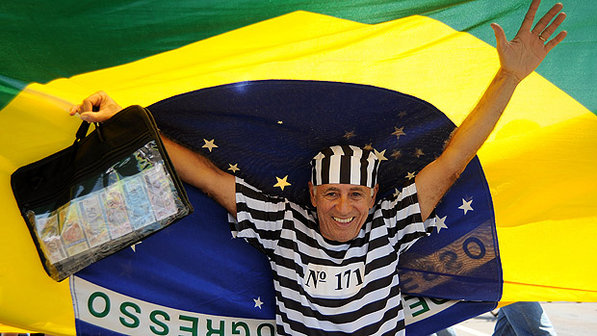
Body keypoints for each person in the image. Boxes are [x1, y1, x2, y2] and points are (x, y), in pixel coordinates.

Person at [70, 1, 567, 334]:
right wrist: (123, 121)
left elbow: (455, 159)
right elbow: (203, 174)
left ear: (373, 198)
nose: (344, 206)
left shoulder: (389, 223)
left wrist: (509, 76)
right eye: (332, 193)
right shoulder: (282, 224)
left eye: (355, 194)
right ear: (312, 195)